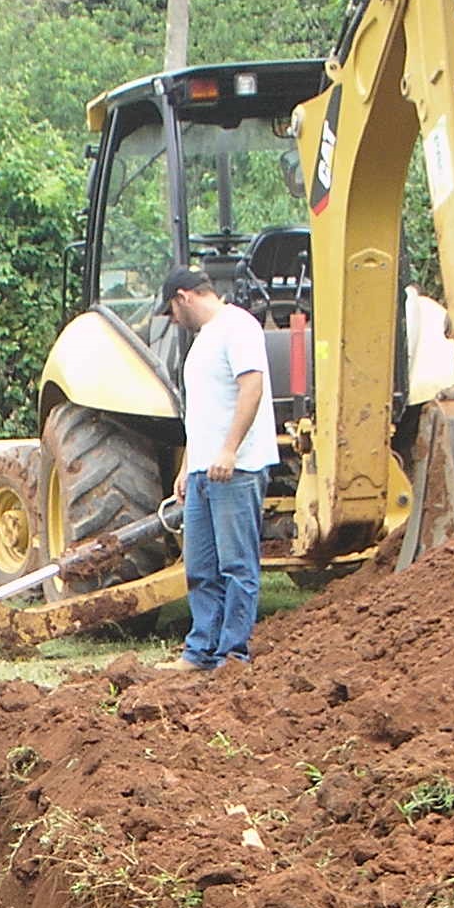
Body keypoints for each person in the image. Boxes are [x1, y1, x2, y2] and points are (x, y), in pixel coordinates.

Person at [160, 265, 275, 671]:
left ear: (183, 297)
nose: (174, 320)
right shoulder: (202, 342)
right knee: (201, 567)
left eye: (172, 311)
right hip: (203, 472)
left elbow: (252, 387)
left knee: (237, 565)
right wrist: (189, 465)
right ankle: (200, 651)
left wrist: (228, 450)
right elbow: (203, 411)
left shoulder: (238, 326)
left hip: (236, 469)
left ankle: (232, 654)